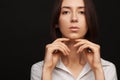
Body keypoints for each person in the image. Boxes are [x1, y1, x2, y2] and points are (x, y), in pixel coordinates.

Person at [30, 0, 118, 80]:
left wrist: (97, 69)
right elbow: (45, 70)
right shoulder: (40, 69)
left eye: (82, 12)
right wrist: (47, 71)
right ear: (56, 22)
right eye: (66, 12)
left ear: (89, 20)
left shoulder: (107, 68)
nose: (74, 18)